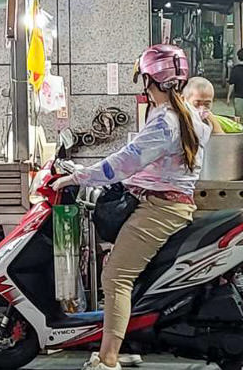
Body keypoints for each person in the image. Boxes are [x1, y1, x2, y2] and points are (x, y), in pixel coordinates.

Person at [52, 44, 210, 370]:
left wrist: (76, 177)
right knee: (128, 274)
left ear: (152, 81)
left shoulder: (166, 122)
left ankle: (108, 358)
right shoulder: (187, 115)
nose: (145, 87)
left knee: (115, 277)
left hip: (159, 210)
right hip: (167, 206)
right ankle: (125, 342)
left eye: (145, 80)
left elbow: (123, 163)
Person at [228, 49, 243, 119]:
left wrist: (228, 97)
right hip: (238, 97)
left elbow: (231, 84)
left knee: (239, 118)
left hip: (238, 97)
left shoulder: (235, 69)